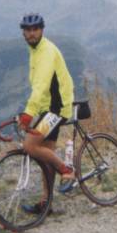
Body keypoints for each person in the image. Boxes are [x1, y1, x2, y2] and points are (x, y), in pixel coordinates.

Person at [16, 13, 76, 213]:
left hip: (56, 108)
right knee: (46, 156)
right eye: (28, 30)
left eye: (35, 29)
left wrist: (28, 114)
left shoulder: (47, 51)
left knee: (30, 145)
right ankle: (46, 203)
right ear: (23, 32)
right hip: (47, 107)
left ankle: (67, 171)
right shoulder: (34, 49)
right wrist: (33, 111)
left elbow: (41, 85)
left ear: (42, 30)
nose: (31, 33)